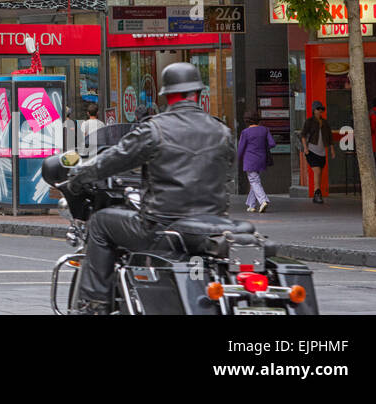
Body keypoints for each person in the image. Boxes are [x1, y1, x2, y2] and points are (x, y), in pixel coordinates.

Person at [66, 61, 234, 315]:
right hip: (211, 230)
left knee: (100, 223)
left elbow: (111, 160)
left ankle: (93, 306)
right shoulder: (222, 131)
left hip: (162, 227)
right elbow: (228, 168)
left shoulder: (155, 129)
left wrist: (77, 175)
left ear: (166, 96)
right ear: (198, 94)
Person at [236, 112, 275, 213]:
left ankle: (263, 200)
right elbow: (272, 143)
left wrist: (237, 159)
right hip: (262, 159)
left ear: (247, 121)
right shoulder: (265, 130)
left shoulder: (245, 132)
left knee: (254, 181)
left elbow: (240, 149)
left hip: (250, 160)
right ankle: (251, 205)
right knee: (255, 181)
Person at [300, 101, 334, 203]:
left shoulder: (325, 123)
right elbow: (303, 135)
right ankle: (318, 193)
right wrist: (305, 148)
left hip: (322, 152)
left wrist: (332, 150)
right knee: (317, 171)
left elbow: (329, 137)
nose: (320, 111)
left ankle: (316, 194)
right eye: (318, 109)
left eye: (321, 109)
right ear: (314, 110)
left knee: (319, 173)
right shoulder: (309, 121)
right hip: (311, 151)